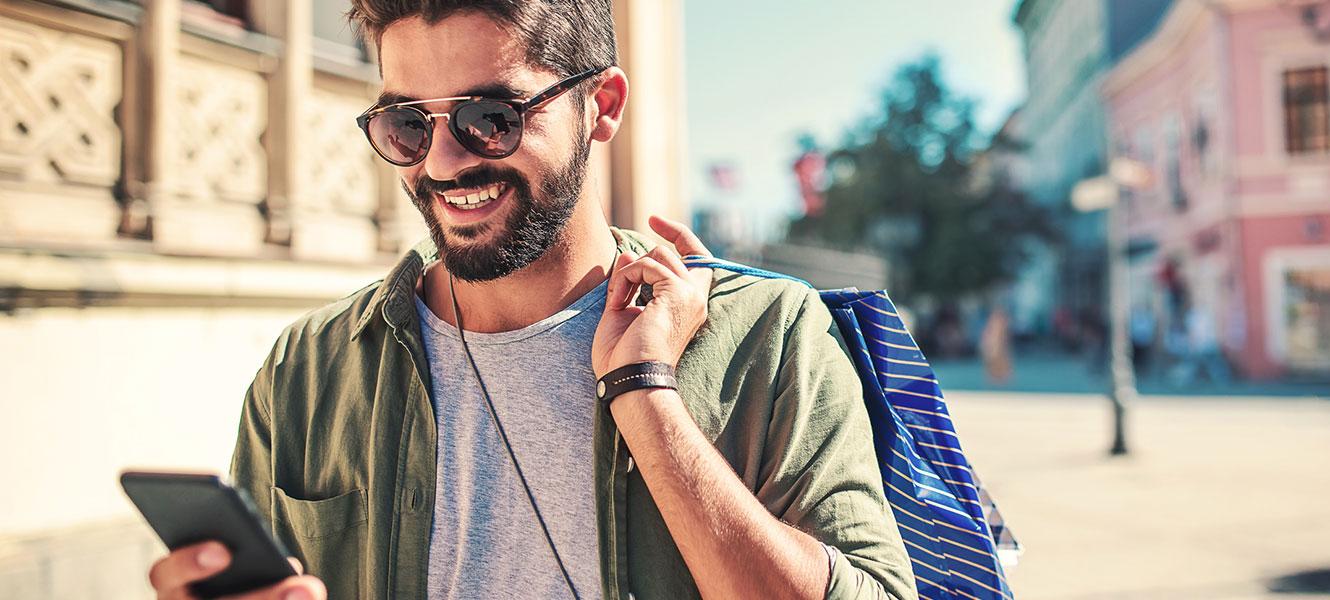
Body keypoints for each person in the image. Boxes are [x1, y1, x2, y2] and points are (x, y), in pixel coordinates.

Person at [145, 2, 917, 599]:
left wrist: (645, 395)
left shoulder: (765, 334)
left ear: (602, 105)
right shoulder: (310, 369)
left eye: (492, 118)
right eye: (408, 123)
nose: (443, 162)